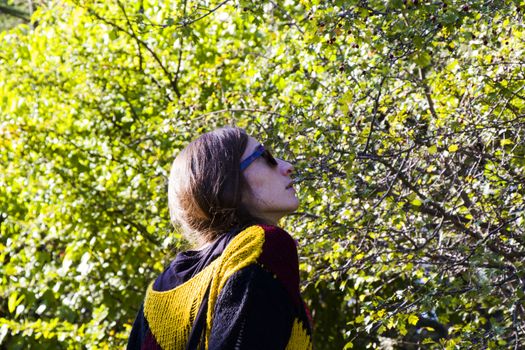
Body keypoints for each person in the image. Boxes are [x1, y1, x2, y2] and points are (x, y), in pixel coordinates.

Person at [127, 127, 313, 350]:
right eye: (265, 156)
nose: (287, 167)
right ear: (227, 180)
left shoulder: (160, 289)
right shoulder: (263, 244)